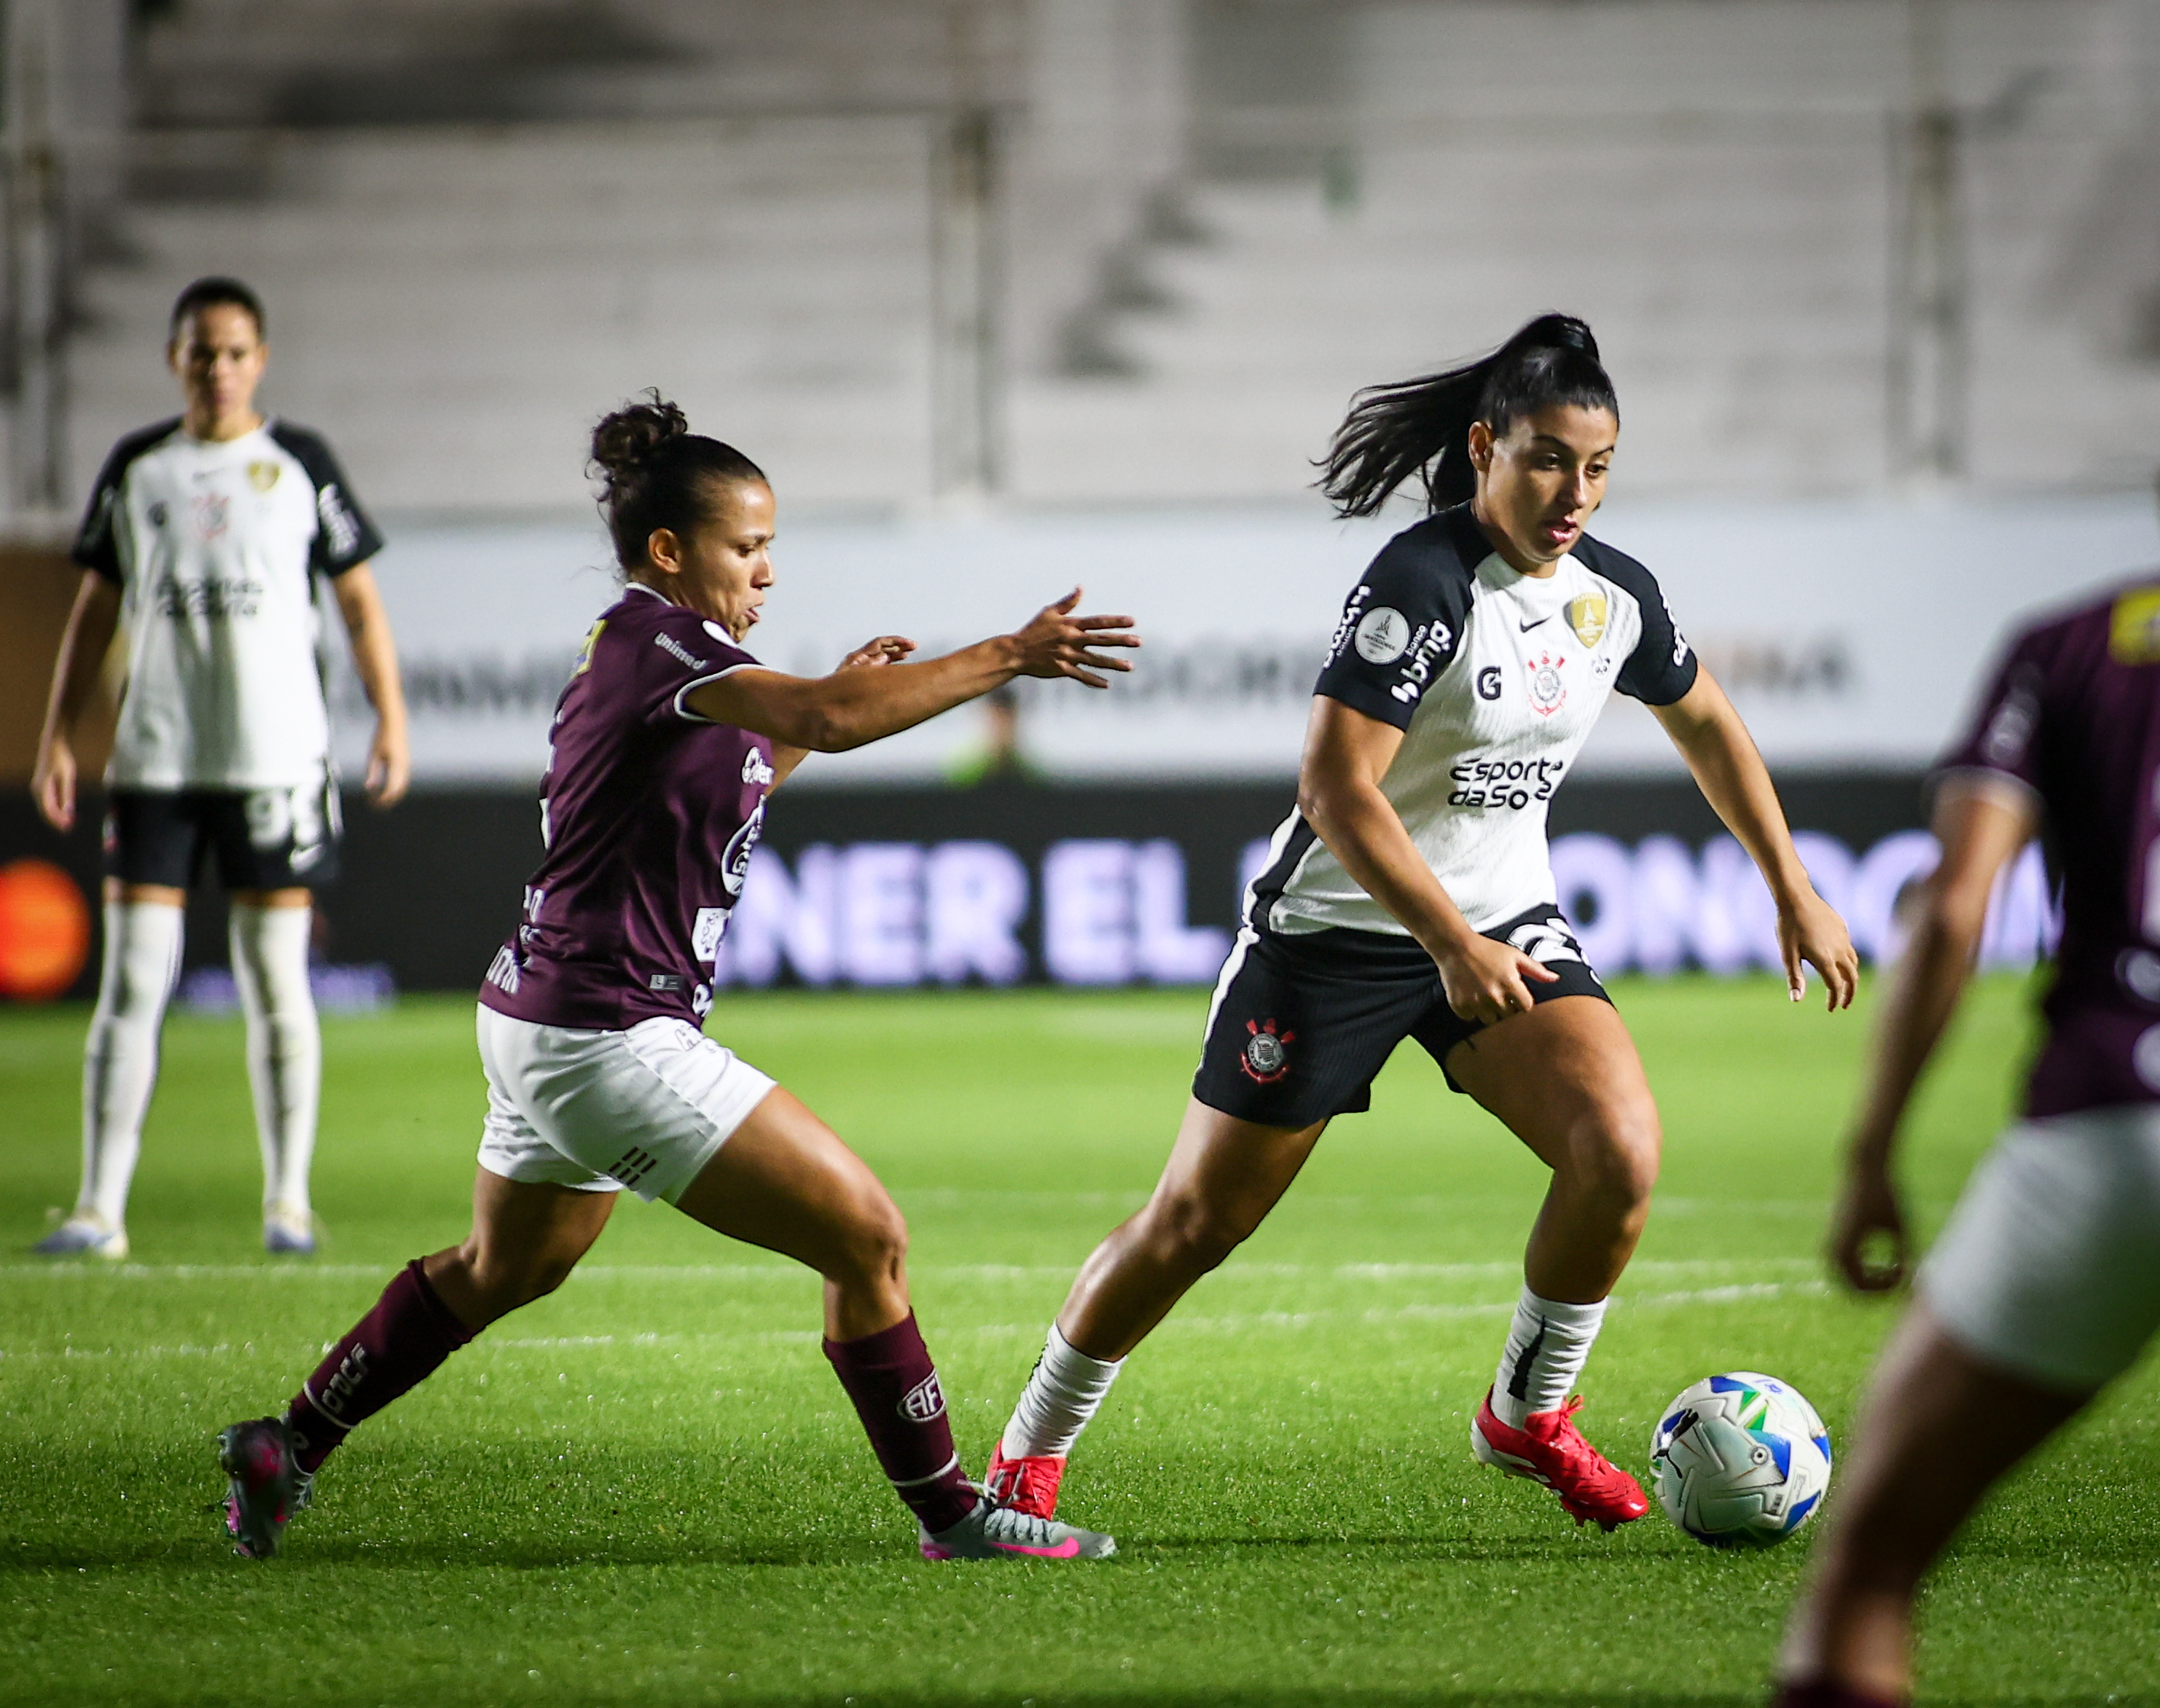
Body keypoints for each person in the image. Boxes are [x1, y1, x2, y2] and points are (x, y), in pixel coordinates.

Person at [214, 394, 1140, 1563]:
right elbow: (830, 716)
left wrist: (807, 720)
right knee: (868, 1241)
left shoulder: (639, 654)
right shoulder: (667, 643)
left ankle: (285, 1444)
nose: (765, 575)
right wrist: (1005, 654)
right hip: (609, 1030)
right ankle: (956, 1515)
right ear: (670, 550)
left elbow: (760, 756)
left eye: (769, 551)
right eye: (747, 549)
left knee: (508, 1266)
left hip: (540, 1016)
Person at [984, 313, 1860, 1534]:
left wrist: (1791, 884)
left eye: (1599, 466)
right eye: (1549, 459)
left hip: (1505, 926)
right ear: (1485, 447)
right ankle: (1026, 1461)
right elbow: (1334, 791)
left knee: (1620, 1150)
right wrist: (1449, 945)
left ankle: (1527, 1417)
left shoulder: (1613, 599)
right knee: (1196, 1223)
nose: (1575, 493)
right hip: (1334, 939)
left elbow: (1707, 720)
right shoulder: (1425, 580)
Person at [1773, 579, 2160, 1707]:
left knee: (1872, 1568)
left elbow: (1954, 912)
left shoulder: (2077, 644)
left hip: (2113, 1120)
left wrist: (1871, 1154)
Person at [31, 275, 408, 1261]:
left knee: (279, 983)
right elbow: (94, 613)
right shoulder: (140, 467)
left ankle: (288, 1206)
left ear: (261, 360)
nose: (219, 369)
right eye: (202, 352)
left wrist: (389, 721)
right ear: (174, 359)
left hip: (276, 762)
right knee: (132, 986)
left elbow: (361, 604)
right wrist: (57, 735)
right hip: (156, 760)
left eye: (237, 352)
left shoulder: (299, 463)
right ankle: (98, 1211)